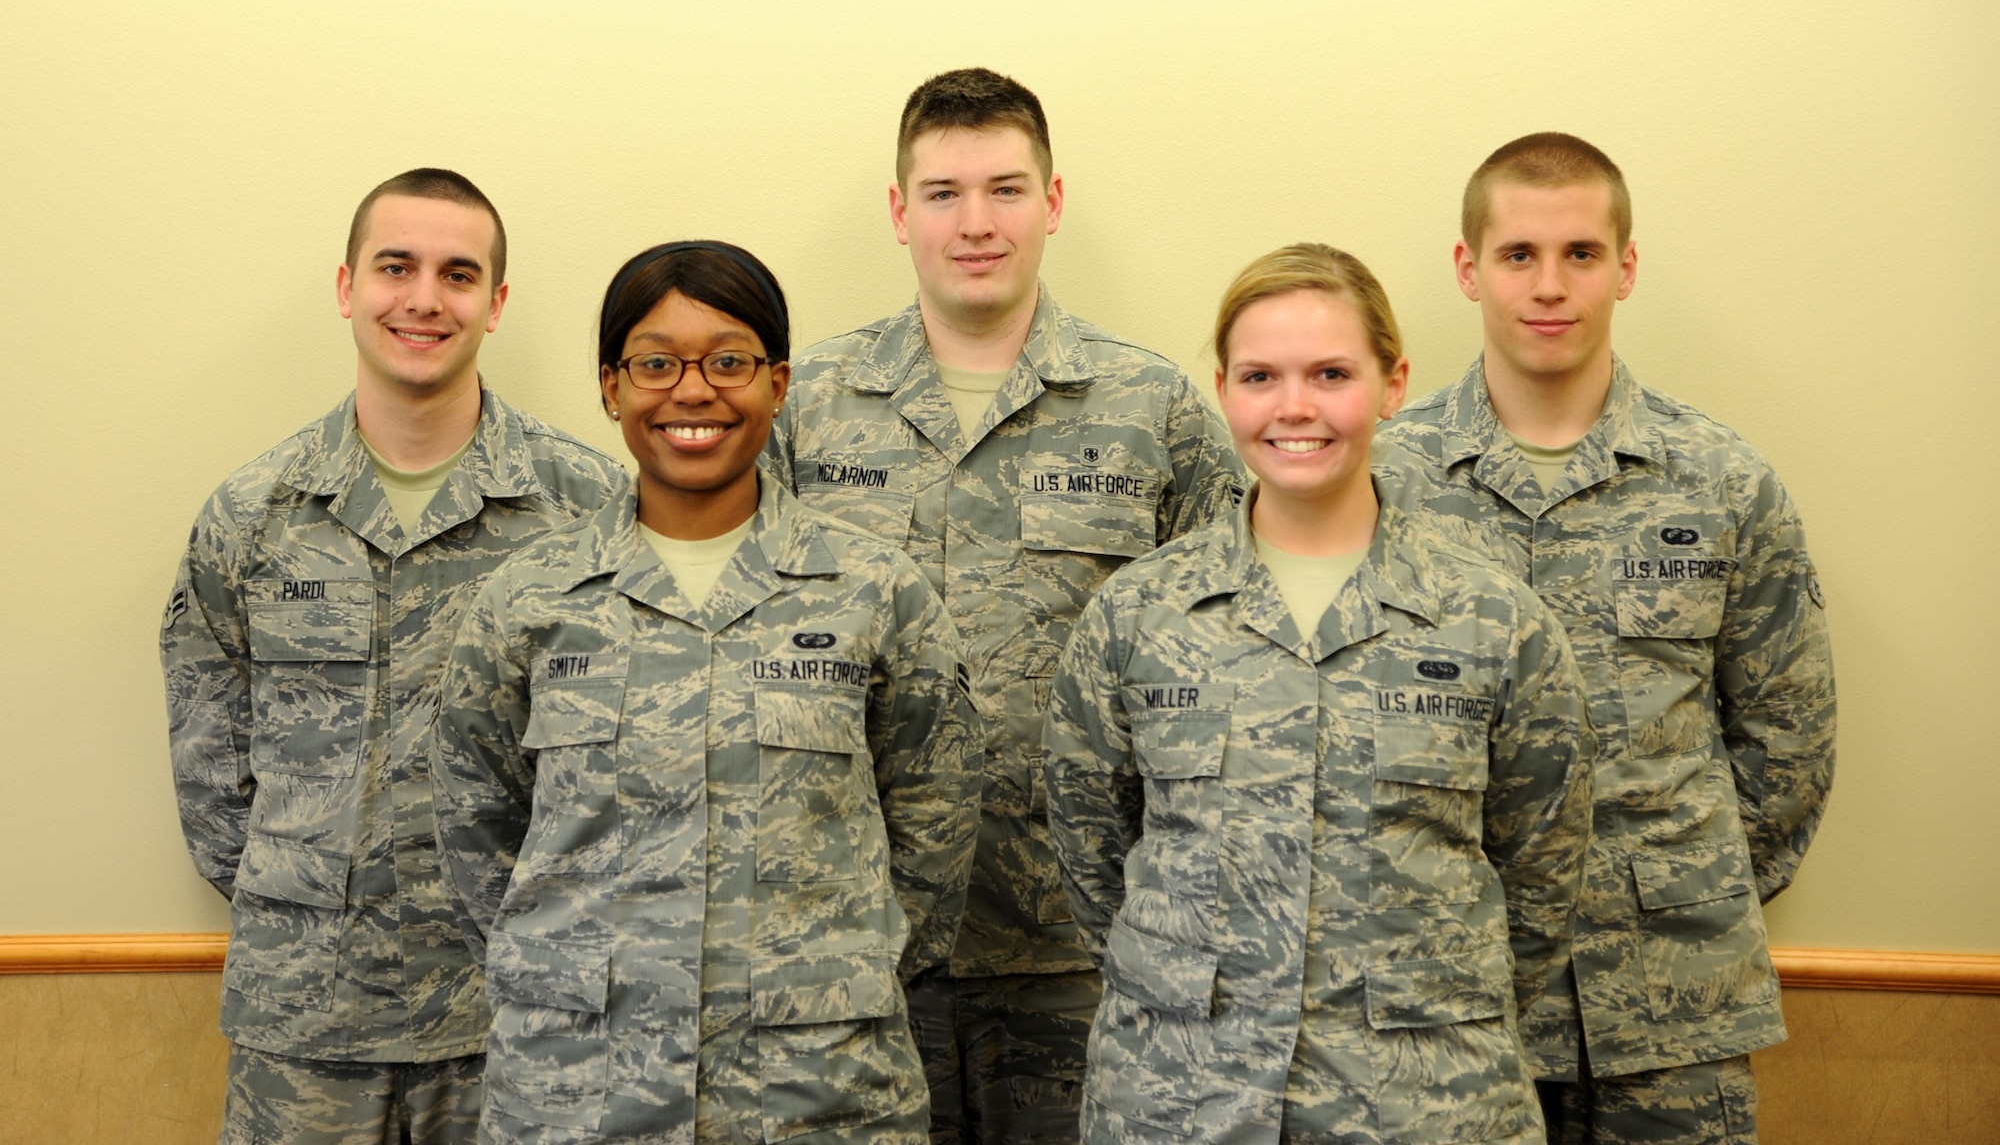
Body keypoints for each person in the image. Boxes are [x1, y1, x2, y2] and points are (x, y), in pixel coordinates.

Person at [767, 67, 1246, 1145]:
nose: (974, 223)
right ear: (899, 213)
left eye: (1004, 189)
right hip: (855, 948)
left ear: (1052, 202)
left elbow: (1236, 655)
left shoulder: (1151, 409)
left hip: (1086, 947)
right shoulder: (807, 409)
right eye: (941, 193)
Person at [1044, 243, 1594, 1144]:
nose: (1294, 407)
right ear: (1222, 389)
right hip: (1180, 1097)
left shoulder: (1495, 621)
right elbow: (1094, 852)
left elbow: (1540, 873)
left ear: (1392, 384)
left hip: (1427, 1105)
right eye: (1261, 376)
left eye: (1331, 373)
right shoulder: (1137, 617)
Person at [430, 241, 979, 1144]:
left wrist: (832, 975)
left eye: (730, 361)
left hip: (818, 1095)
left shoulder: (875, 591)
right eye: (656, 363)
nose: (693, 391)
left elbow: (936, 827)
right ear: (611, 387)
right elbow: (478, 830)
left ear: (779, 383)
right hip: (578, 1094)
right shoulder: (528, 601)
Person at [1376, 134, 1837, 1143]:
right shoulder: (1380, 482)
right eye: (1517, 256)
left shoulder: (1720, 482)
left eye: (1580, 254)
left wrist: (1674, 884)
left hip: (1671, 1001)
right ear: (1467, 269)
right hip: (1445, 1006)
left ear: (1625, 267)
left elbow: (1786, 738)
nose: (1549, 286)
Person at [161, 168, 628, 1144]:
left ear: (494, 304)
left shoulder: (589, 511)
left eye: (458, 274)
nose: (424, 297)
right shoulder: (253, 516)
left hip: (521, 1020)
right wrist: (317, 901)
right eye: (395, 267)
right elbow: (213, 781)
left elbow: (635, 765)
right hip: (308, 1031)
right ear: (346, 287)